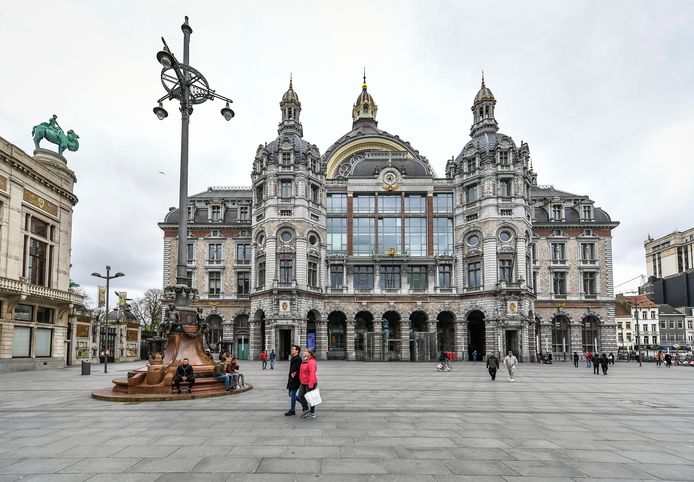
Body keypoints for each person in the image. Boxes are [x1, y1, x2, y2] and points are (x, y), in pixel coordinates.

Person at [297, 348, 318, 419]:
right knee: (300, 395)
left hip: (310, 382)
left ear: (309, 354)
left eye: (306, 351)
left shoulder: (311, 361)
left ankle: (312, 413)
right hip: (303, 382)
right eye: (304, 351)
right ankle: (306, 409)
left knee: (311, 398)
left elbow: (312, 373)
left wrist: (311, 384)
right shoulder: (304, 360)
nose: (304, 352)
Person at [286, 345, 302, 416]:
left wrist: (293, 376)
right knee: (290, 394)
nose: (292, 350)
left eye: (293, 349)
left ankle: (292, 410)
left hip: (295, 380)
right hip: (291, 379)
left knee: (292, 395)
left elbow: (298, 370)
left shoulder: (298, 359)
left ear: (297, 351)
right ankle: (303, 403)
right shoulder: (293, 358)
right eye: (292, 349)